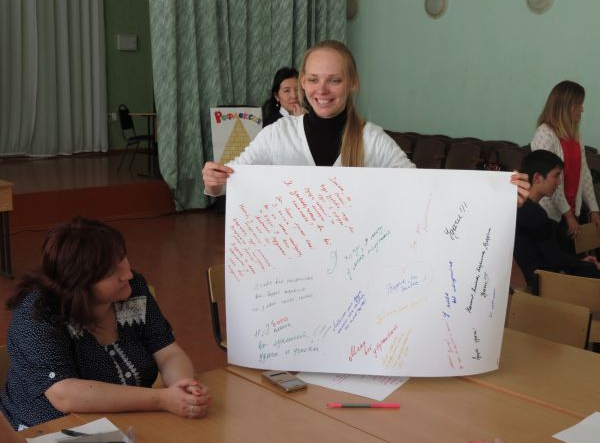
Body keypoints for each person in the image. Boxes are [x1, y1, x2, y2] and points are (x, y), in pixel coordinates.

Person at [203, 40, 530, 203]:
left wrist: (496, 198)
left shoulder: (372, 140)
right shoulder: (277, 135)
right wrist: (214, 180)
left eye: (334, 80)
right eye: (313, 79)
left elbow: (425, 189)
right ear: (302, 82)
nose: (322, 90)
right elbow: (229, 180)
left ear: (353, 83)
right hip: (290, 272)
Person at [0, 218, 211, 430]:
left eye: (123, 258)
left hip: (126, 421)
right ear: (79, 283)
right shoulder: (38, 311)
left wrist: (183, 387)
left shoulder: (133, 289)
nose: (127, 274)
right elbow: (64, 394)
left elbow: (167, 351)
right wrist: (162, 399)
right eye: (111, 271)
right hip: (49, 429)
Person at [531, 80, 600, 254]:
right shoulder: (544, 133)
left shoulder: (574, 134)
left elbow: (584, 173)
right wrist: (568, 215)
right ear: (566, 106)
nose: (582, 109)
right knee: (555, 263)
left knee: (572, 262)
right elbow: (549, 179)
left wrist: (594, 209)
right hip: (550, 216)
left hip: (571, 212)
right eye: (579, 104)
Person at [514, 150, 600, 287]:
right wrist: (588, 265)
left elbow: (551, 254)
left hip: (538, 275)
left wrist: (580, 262)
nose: (559, 182)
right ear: (537, 178)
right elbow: (555, 258)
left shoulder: (520, 206)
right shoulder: (534, 213)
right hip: (543, 283)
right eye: (556, 176)